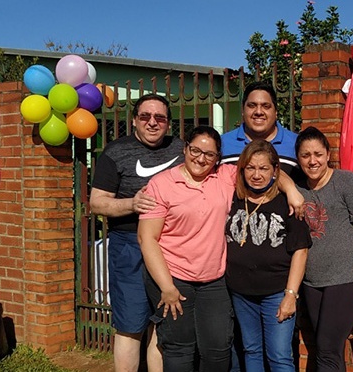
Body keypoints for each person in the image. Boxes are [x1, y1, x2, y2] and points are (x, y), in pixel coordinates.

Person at [138, 126, 304, 372]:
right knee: (179, 348)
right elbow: (147, 238)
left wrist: (291, 190)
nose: (201, 158)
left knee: (217, 349)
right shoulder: (162, 184)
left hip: (214, 279)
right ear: (185, 149)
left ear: (218, 158)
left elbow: (265, 169)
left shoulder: (226, 175)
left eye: (209, 154)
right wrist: (166, 287)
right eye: (195, 150)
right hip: (173, 276)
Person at [89, 93, 183, 372]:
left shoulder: (181, 149)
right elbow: (96, 203)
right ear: (134, 121)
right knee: (130, 325)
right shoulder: (116, 152)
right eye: (145, 116)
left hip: (170, 246)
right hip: (129, 245)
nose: (152, 122)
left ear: (168, 123)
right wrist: (132, 204)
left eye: (160, 118)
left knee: (163, 321)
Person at [225, 140, 311, 372]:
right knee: (251, 350)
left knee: (279, 356)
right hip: (241, 292)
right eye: (251, 168)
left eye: (263, 168)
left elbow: (301, 250)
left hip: (276, 292)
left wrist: (290, 295)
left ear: (275, 171)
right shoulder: (232, 197)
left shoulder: (288, 203)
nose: (256, 175)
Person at [294, 127, 353, 372]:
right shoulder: (298, 186)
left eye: (318, 154)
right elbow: (278, 177)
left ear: (328, 155)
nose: (312, 161)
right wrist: (289, 188)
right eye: (305, 155)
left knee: (327, 348)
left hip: (345, 278)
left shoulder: (347, 182)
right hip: (312, 281)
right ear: (298, 158)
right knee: (325, 350)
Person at [221, 81, 299, 175]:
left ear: (276, 112)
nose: (258, 112)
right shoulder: (222, 144)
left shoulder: (296, 144)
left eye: (266, 106)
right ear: (243, 110)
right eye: (252, 106)